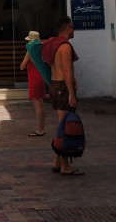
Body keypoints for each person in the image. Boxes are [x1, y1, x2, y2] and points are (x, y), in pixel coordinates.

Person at [41, 16, 82, 176]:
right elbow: (66, 70)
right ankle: (65, 165)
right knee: (66, 127)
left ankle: (57, 161)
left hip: (54, 85)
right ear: (67, 28)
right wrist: (71, 92)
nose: (74, 30)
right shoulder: (64, 46)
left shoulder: (53, 44)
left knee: (62, 125)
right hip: (62, 87)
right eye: (73, 27)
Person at [20, 30, 50, 136]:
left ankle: (39, 129)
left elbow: (22, 66)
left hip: (34, 78)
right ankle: (41, 128)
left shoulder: (31, 50)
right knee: (41, 104)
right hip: (41, 77)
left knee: (37, 104)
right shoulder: (41, 49)